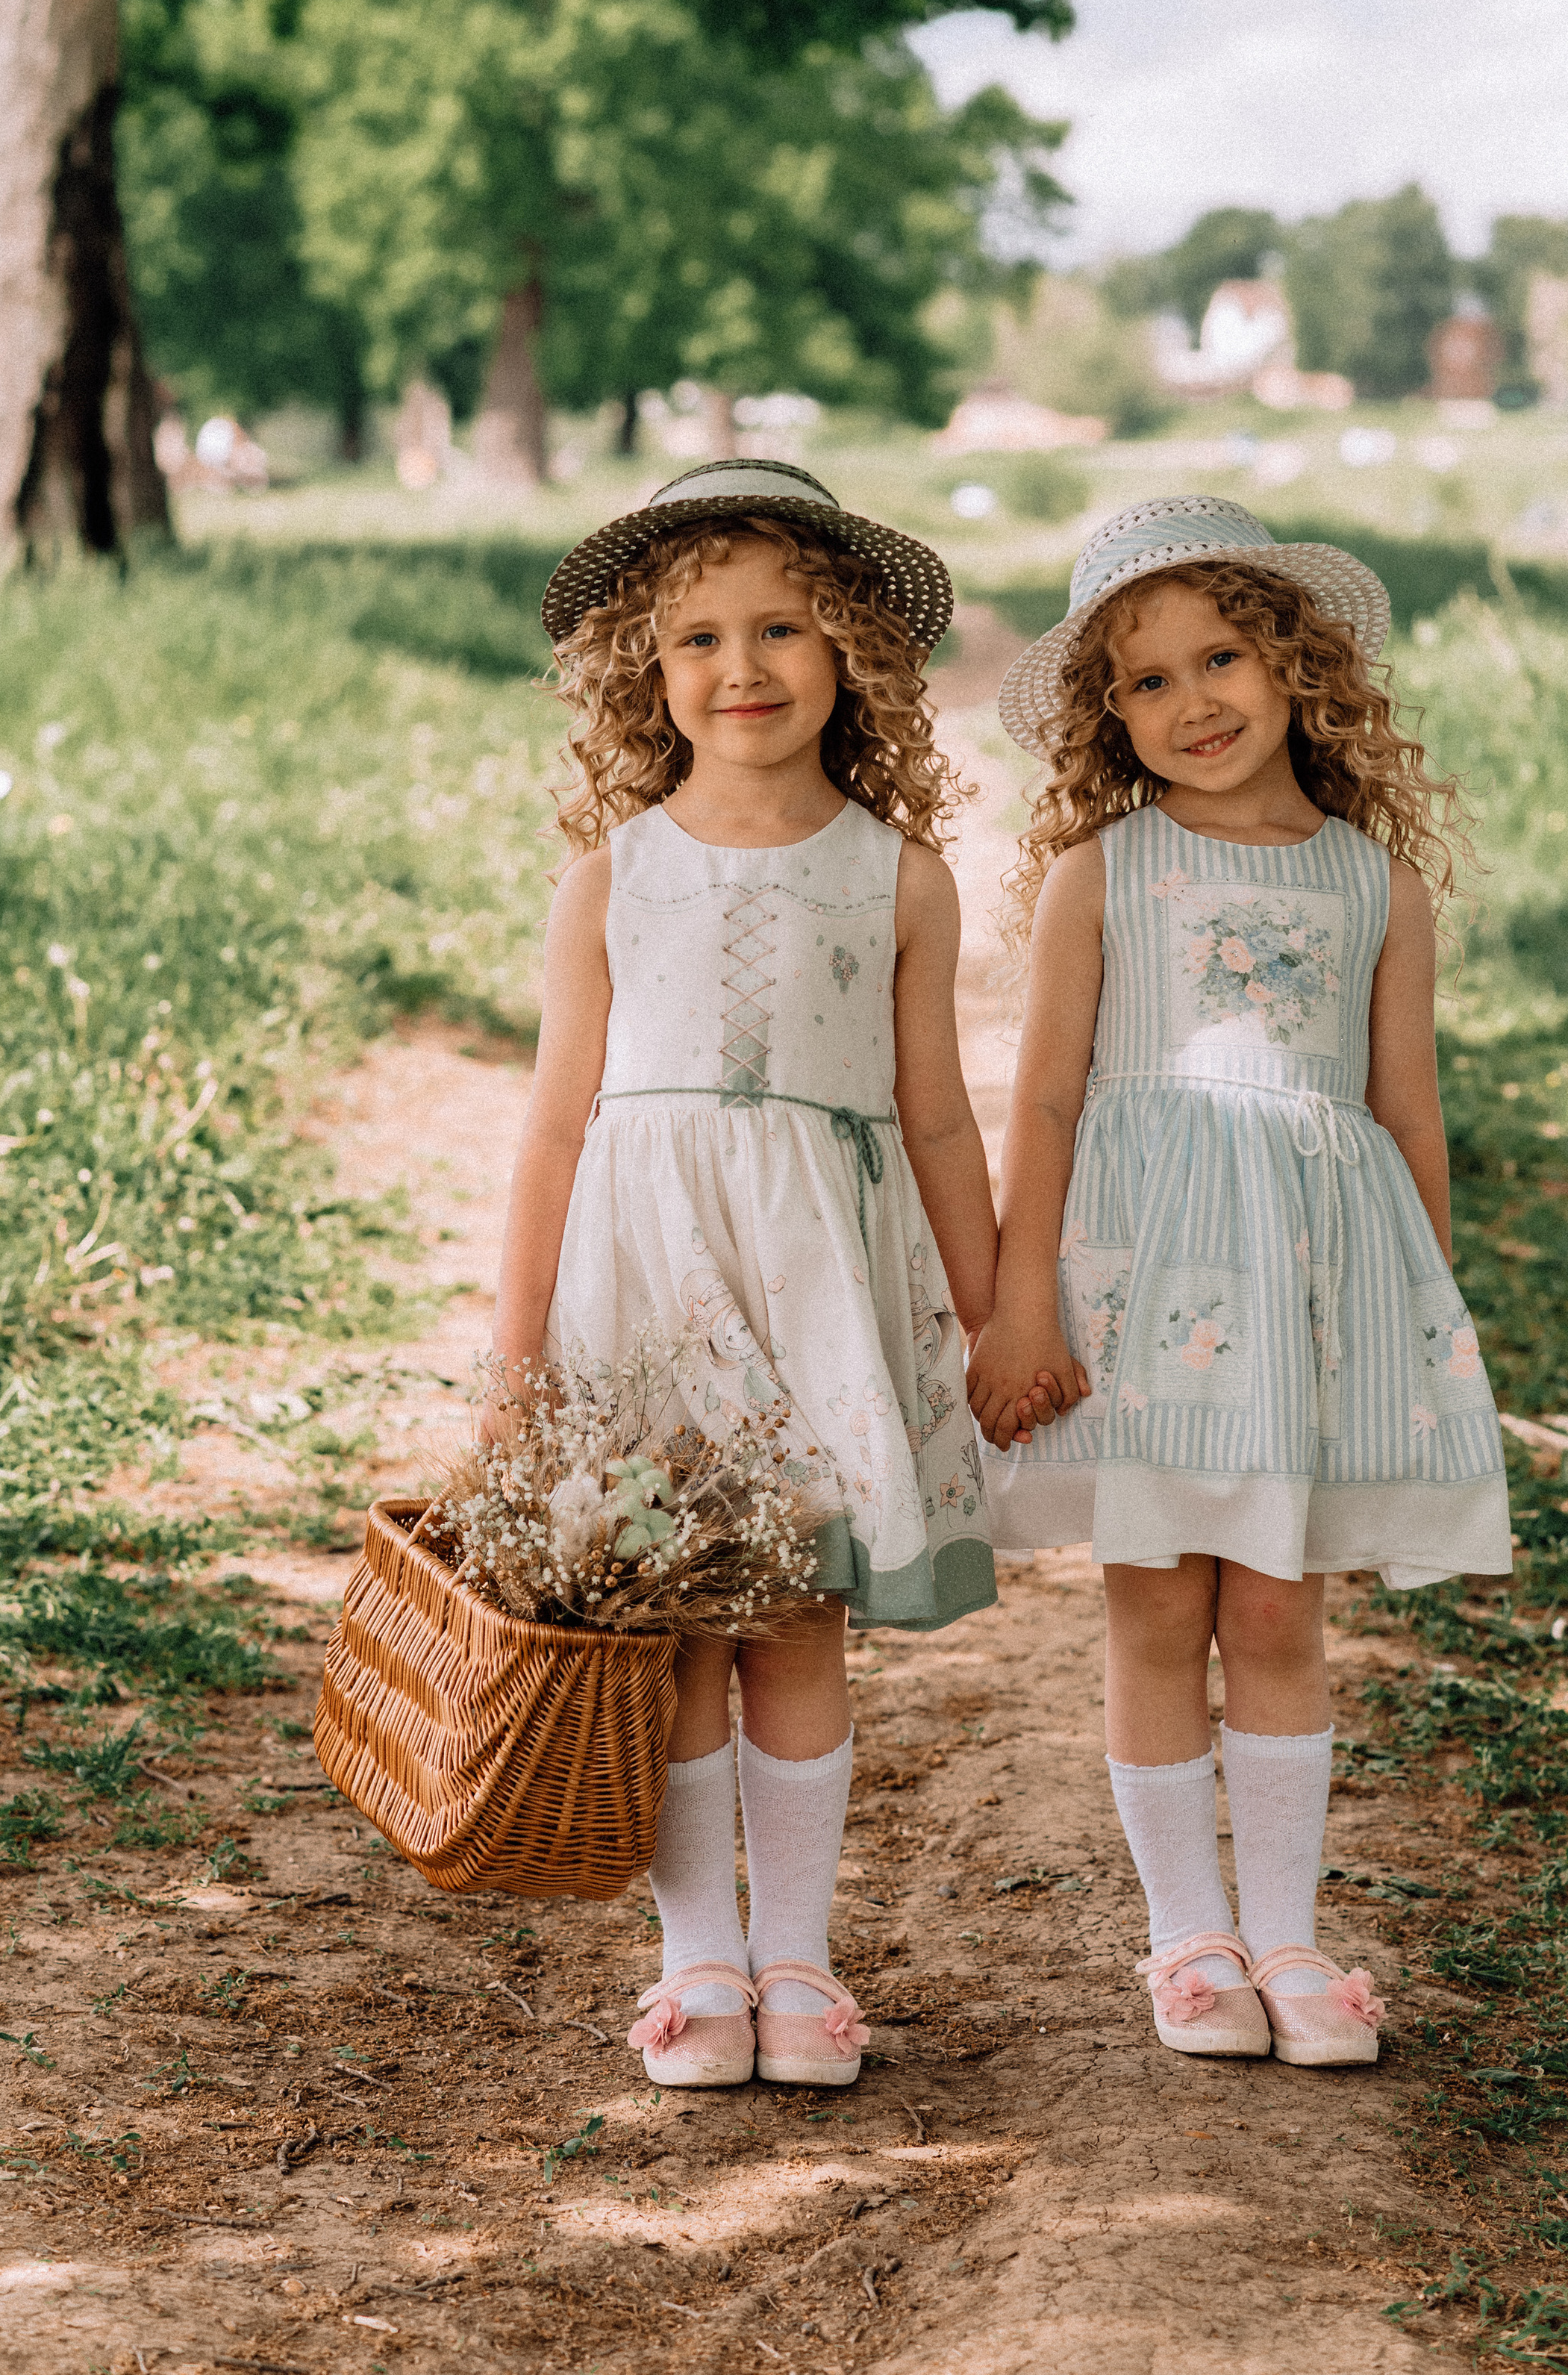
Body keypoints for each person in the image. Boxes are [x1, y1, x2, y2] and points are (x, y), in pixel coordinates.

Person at [967, 496, 1511, 2067]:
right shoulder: (1101, 872)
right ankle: (1184, 1940)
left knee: (1274, 1608)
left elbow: (1403, 1116)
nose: (1189, 703)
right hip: (1139, 1289)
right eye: (1142, 682)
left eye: (1218, 659)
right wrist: (1019, 1305)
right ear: (1104, 715)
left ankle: (1283, 1930)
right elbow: (1046, 1100)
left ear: (1294, 669)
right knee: (1154, 1605)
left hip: (1301, 1306)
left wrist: (1421, 1328)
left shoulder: (1370, 886)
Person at [495, 459, 999, 2091]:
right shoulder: (612, 877)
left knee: (789, 1618)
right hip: (641, 1290)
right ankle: (695, 1958)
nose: (742, 667)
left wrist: (996, 1316)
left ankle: (796, 1954)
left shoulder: (895, 873)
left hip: (810, 1288)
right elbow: (557, 1133)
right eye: (698, 637)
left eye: (782, 627)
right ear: (648, 673)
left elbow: (934, 1117)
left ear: (850, 651)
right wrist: (518, 1363)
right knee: (671, 1622)